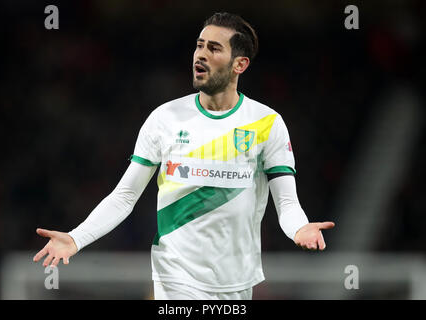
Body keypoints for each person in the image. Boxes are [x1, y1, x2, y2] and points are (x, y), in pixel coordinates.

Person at [33, 12, 335, 300]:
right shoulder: (165, 119)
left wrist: (300, 227)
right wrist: (77, 237)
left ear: (239, 64)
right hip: (175, 274)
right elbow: (125, 195)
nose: (200, 54)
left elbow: (286, 202)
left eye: (214, 48)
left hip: (237, 278)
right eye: (199, 45)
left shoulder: (267, 123)